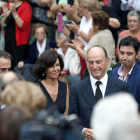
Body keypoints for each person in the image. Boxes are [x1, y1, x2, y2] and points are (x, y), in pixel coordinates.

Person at [68, 45, 129, 140]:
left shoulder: (121, 87)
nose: (94, 66)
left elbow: (126, 120)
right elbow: (71, 120)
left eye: (98, 62)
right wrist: (83, 131)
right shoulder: (76, 89)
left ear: (107, 61)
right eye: (91, 62)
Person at [67, 10, 116, 76]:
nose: (91, 24)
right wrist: (82, 47)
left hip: (102, 74)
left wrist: (77, 48)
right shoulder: (108, 33)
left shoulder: (97, 37)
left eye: (93, 22)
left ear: (97, 25)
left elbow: (87, 56)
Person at [34, 50, 69, 115]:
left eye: (57, 65)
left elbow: (66, 113)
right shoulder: (37, 88)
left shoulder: (64, 86)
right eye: (51, 66)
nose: (55, 69)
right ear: (44, 69)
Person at [0, 0, 32, 69]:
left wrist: (14, 13)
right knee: (6, 63)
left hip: (19, 42)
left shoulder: (26, 6)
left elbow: (22, 26)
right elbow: (1, 24)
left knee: (16, 65)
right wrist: (5, 15)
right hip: (6, 40)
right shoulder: (8, 5)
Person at [111, 36, 140, 107]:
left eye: (129, 54)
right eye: (122, 53)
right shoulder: (114, 72)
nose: (124, 57)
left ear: (137, 54)